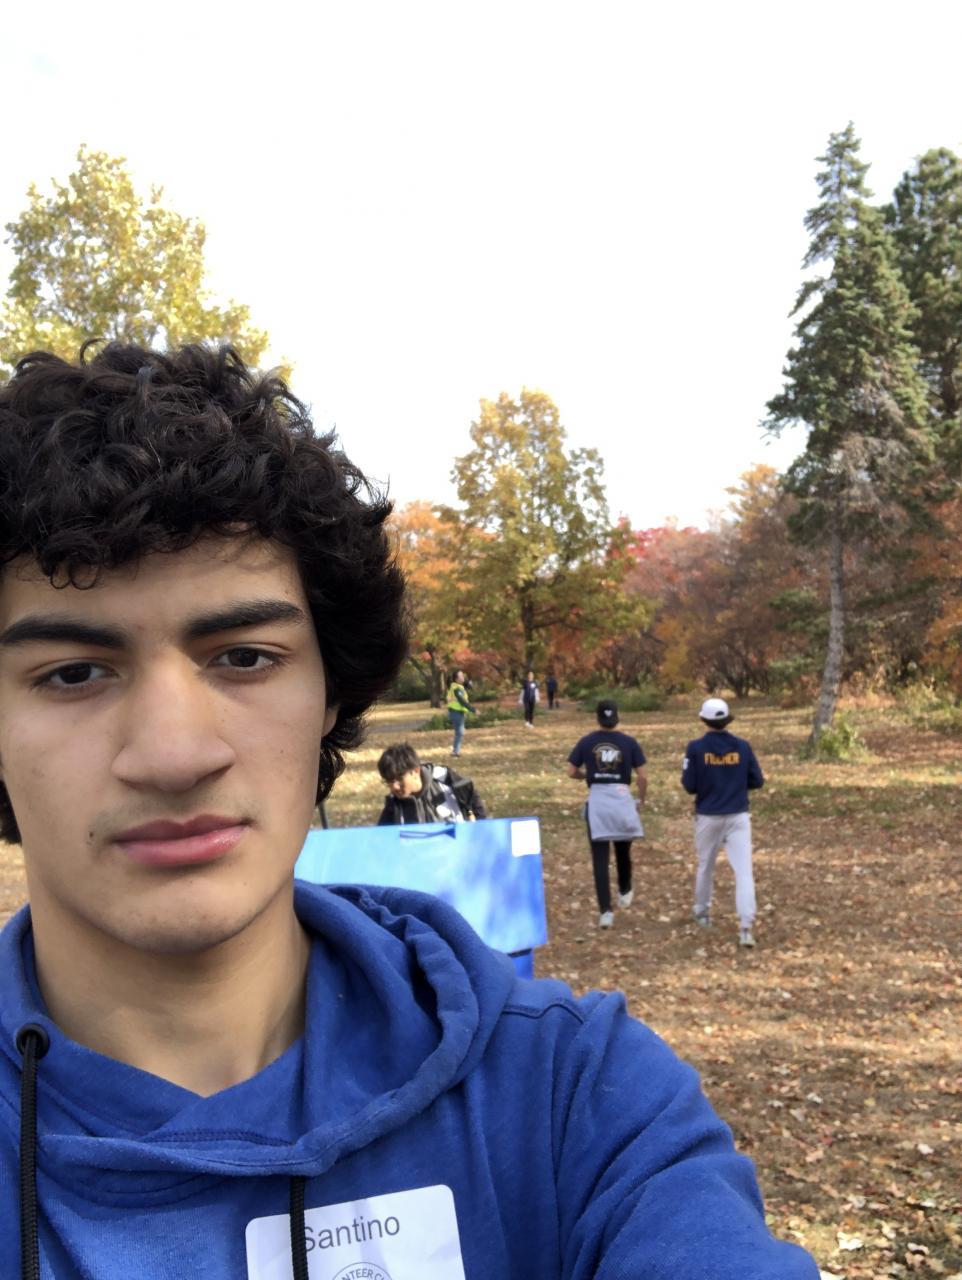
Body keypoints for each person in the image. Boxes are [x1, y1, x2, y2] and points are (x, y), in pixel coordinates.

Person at [0, 343, 816, 1279]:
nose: (175, 755)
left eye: (245, 657)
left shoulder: (573, 1100)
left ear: (329, 694)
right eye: (73, 673)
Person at [681, 696, 765, 948]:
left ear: (703, 720)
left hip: (708, 816)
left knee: (705, 866)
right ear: (727, 720)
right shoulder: (743, 747)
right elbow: (757, 780)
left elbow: (689, 785)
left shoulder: (695, 748)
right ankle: (746, 927)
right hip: (738, 816)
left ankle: (702, 912)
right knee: (744, 871)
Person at [567, 699, 647, 928]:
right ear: (617, 716)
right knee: (623, 850)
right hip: (621, 798)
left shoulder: (587, 741)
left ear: (597, 717)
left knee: (600, 858)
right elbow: (643, 777)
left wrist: (587, 776)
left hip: (598, 802)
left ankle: (605, 911)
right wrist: (641, 799)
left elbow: (571, 771)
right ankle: (625, 889)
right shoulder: (629, 742)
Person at [376, 743, 487, 824]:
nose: (394, 787)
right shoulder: (393, 804)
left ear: (416, 771)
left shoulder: (445, 778)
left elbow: (472, 802)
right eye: (389, 781)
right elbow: (382, 839)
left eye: (400, 779)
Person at [445, 668, 476, 756]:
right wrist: (473, 710)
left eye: (463, 675)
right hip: (455, 711)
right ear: (456, 679)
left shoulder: (458, 686)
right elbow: (462, 701)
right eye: (461, 676)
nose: (463, 677)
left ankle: (456, 751)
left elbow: (467, 687)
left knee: (460, 732)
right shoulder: (456, 688)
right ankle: (455, 751)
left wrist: (469, 683)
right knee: (460, 732)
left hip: (458, 711)